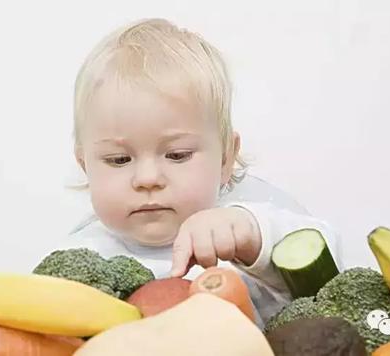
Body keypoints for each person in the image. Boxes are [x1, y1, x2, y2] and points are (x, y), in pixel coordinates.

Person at [50, 18, 343, 327]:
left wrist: (252, 236)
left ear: (226, 158)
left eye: (177, 155)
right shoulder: (81, 258)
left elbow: (334, 270)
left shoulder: (244, 226)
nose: (148, 178)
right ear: (86, 166)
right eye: (119, 160)